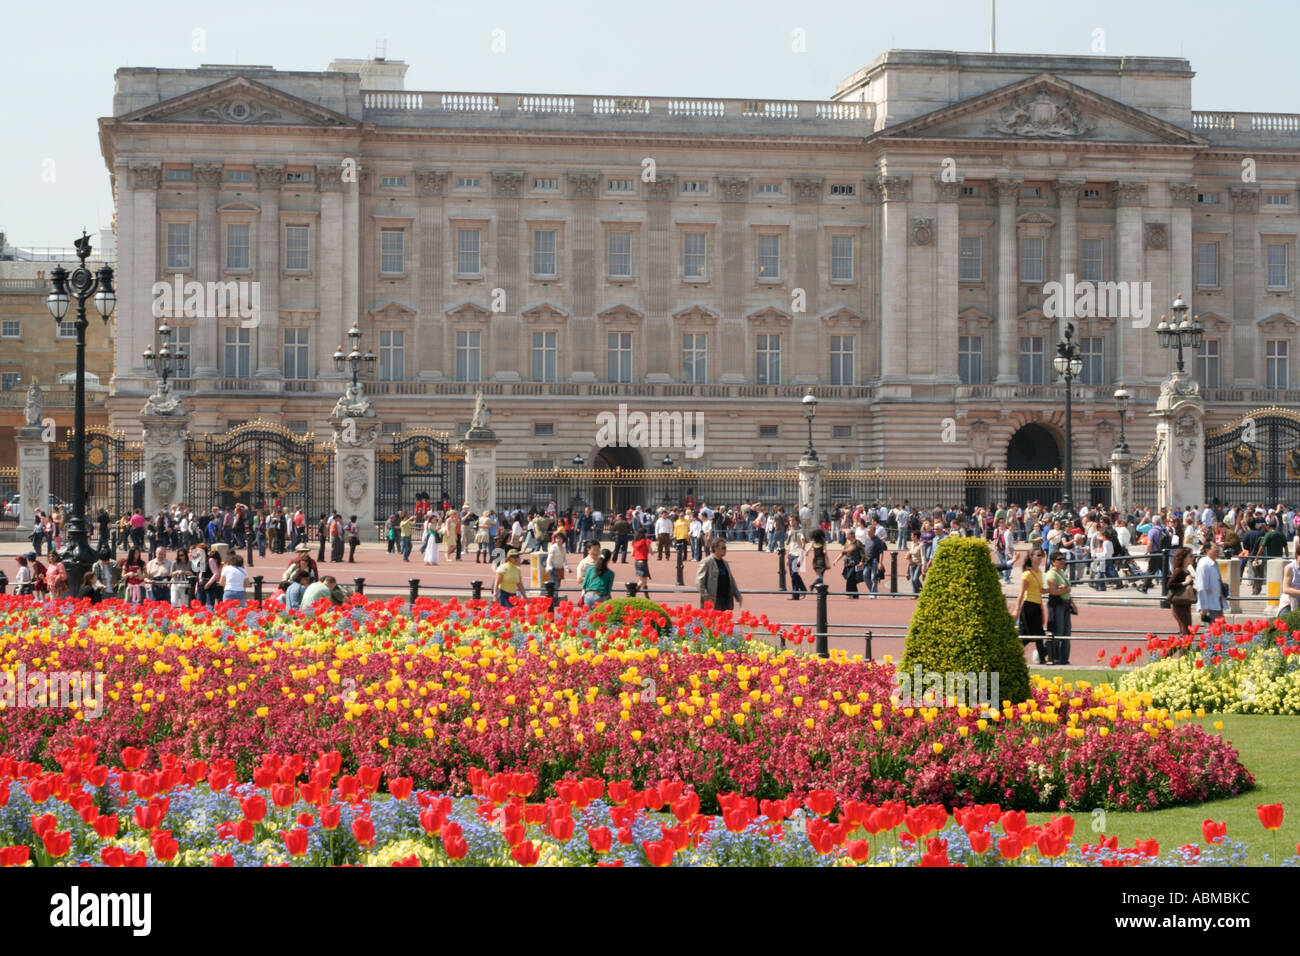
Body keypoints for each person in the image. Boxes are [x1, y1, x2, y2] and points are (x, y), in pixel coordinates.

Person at [1014, 548, 1048, 665]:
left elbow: (1041, 590)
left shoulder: (1039, 572)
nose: (1040, 558)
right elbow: (1021, 593)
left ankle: (1042, 659)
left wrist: (1054, 590)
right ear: (1031, 557)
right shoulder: (1027, 574)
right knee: (1029, 635)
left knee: (1038, 634)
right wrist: (1016, 610)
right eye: (1038, 555)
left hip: (1037, 606)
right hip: (1028, 606)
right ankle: (1013, 652)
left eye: (1041, 555)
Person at [1044, 550, 1074, 663]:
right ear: (1052, 562)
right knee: (1059, 632)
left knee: (1067, 632)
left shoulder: (1061, 572)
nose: (1063, 561)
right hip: (1057, 604)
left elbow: (1066, 591)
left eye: (1063, 559)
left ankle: (1064, 659)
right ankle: (1049, 654)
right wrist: (1065, 590)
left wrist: (1072, 604)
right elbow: (1053, 591)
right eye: (1059, 559)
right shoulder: (1051, 574)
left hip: (1065, 604)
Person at [696, 538, 741, 611]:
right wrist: (707, 597)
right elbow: (699, 582)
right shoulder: (706, 562)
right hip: (714, 600)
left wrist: (737, 595)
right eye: (723, 548)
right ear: (715, 548)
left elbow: (731, 580)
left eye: (725, 548)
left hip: (725, 599)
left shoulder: (725, 563)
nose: (725, 550)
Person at [1166, 547, 1196, 636]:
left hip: (1185, 604)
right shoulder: (1178, 571)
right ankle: (1181, 649)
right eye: (1191, 556)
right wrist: (1185, 583)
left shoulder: (1186, 571)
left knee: (1186, 631)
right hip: (1179, 605)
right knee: (1186, 632)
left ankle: (1180, 649)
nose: (1193, 558)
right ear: (1184, 558)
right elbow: (1170, 584)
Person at [1194, 540, 1225, 625]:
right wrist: (1203, 607)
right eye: (1215, 548)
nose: (1218, 550)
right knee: (1212, 633)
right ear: (1207, 550)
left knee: (1219, 633)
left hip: (1217, 603)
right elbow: (1201, 586)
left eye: (1218, 547)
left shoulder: (1215, 563)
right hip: (1209, 606)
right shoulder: (1204, 565)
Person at [631, 529, 652, 597]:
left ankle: (646, 596)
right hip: (643, 561)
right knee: (642, 581)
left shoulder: (635, 542)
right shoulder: (646, 541)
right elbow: (651, 552)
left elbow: (632, 554)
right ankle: (632, 592)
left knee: (644, 581)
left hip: (637, 561)